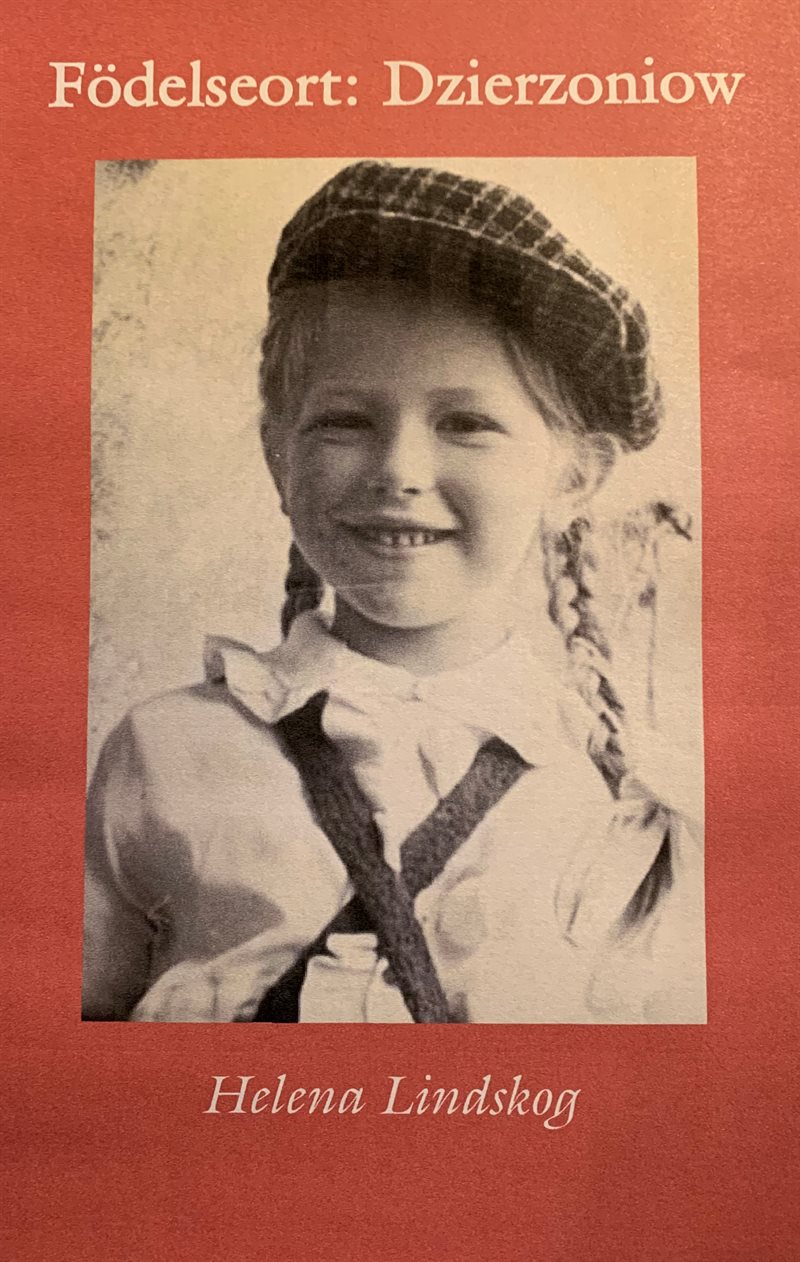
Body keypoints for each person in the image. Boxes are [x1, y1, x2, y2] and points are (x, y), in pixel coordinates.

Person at [82, 160, 705, 1023]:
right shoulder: (165, 753)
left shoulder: (629, 798)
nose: (400, 470)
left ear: (572, 478)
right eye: (346, 421)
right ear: (279, 454)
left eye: (467, 424)